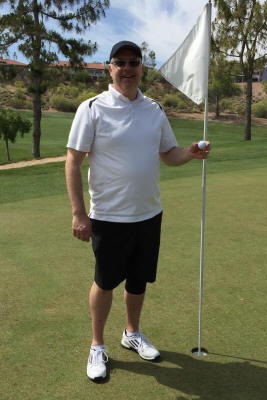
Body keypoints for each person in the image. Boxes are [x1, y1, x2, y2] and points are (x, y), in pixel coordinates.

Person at [65, 40, 210, 382]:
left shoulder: (154, 110)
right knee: (105, 282)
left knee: (138, 280)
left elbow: (168, 154)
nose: (127, 68)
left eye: (134, 62)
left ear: (142, 67)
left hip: (148, 214)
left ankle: (131, 333)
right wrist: (78, 213)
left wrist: (189, 153)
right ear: (109, 68)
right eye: (121, 62)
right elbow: (73, 161)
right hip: (109, 216)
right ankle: (97, 345)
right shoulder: (92, 108)